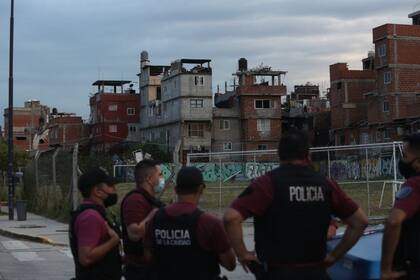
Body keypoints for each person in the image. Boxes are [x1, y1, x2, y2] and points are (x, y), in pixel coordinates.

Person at [223, 129, 368, 280]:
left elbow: (231, 218)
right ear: (307, 154)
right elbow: (360, 221)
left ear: (279, 154)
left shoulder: (267, 184)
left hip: (277, 272)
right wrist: (333, 256)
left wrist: (243, 255)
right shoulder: (326, 184)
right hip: (315, 271)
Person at [144, 166, 236, 280]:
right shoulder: (209, 223)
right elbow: (230, 264)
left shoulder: (156, 218)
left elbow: (148, 256)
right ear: (201, 189)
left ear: (176, 189)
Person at [69, 168, 122, 280]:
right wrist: (113, 241)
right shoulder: (90, 217)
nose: (114, 189)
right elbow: (86, 258)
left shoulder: (97, 213)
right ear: (97, 191)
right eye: (110, 186)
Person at [381, 133, 420, 280]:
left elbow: (393, 221)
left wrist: (385, 269)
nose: (401, 160)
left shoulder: (415, 184)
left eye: (404, 155)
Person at [120, 159, 165, 280]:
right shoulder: (135, 200)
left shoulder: (149, 200)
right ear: (149, 178)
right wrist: (154, 215)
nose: (162, 178)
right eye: (159, 175)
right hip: (140, 270)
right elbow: (134, 233)